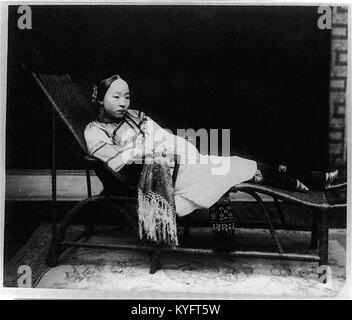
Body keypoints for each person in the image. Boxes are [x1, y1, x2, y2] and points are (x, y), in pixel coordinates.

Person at [84, 75, 338, 219]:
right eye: (115, 97)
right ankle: (308, 182)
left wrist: (173, 149)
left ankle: (310, 179)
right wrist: (146, 149)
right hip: (151, 180)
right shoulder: (95, 131)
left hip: (176, 165)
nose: (123, 103)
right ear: (99, 98)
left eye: (126, 96)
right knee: (237, 167)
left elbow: (163, 136)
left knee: (237, 163)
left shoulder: (136, 116)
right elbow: (116, 159)